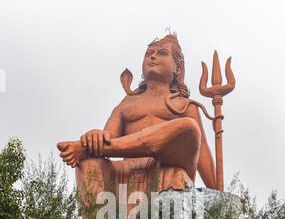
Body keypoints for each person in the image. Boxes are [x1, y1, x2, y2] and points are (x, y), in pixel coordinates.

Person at [57, 33, 217, 191]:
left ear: (177, 68)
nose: (152, 57)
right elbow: (108, 137)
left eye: (162, 53)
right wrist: (95, 138)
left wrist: (220, 193)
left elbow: (201, 148)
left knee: (189, 127)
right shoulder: (127, 104)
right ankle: (99, 216)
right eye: (149, 54)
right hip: (126, 172)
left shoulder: (185, 105)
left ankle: (90, 150)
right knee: (89, 164)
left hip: (166, 167)